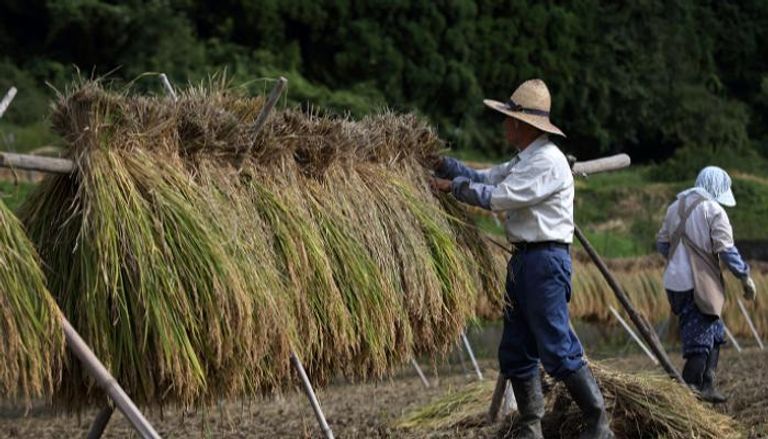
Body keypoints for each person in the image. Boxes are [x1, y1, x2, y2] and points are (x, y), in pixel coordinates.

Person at [430, 79, 613, 439]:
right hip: (524, 261)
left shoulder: (548, 162)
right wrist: (447, 166)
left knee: (557, 349)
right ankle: (531, 427)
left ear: (522, 125)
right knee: (515, 350)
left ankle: (597, 422)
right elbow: (486, 177)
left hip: (545, 263)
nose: (503, 124)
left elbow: (500, 197)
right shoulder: (523, 160)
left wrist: (453, 188)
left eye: (507, 119)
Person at [656, 166, 757, 403]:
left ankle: (708, 383)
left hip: (674, 283)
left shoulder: (674, 207)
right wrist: (744, 276)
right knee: (699, 343)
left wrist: (679, 259)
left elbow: (662, 244)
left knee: (714, 331)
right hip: (698, 285)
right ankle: (685, 397)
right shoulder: (713, 210)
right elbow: (727, 251)